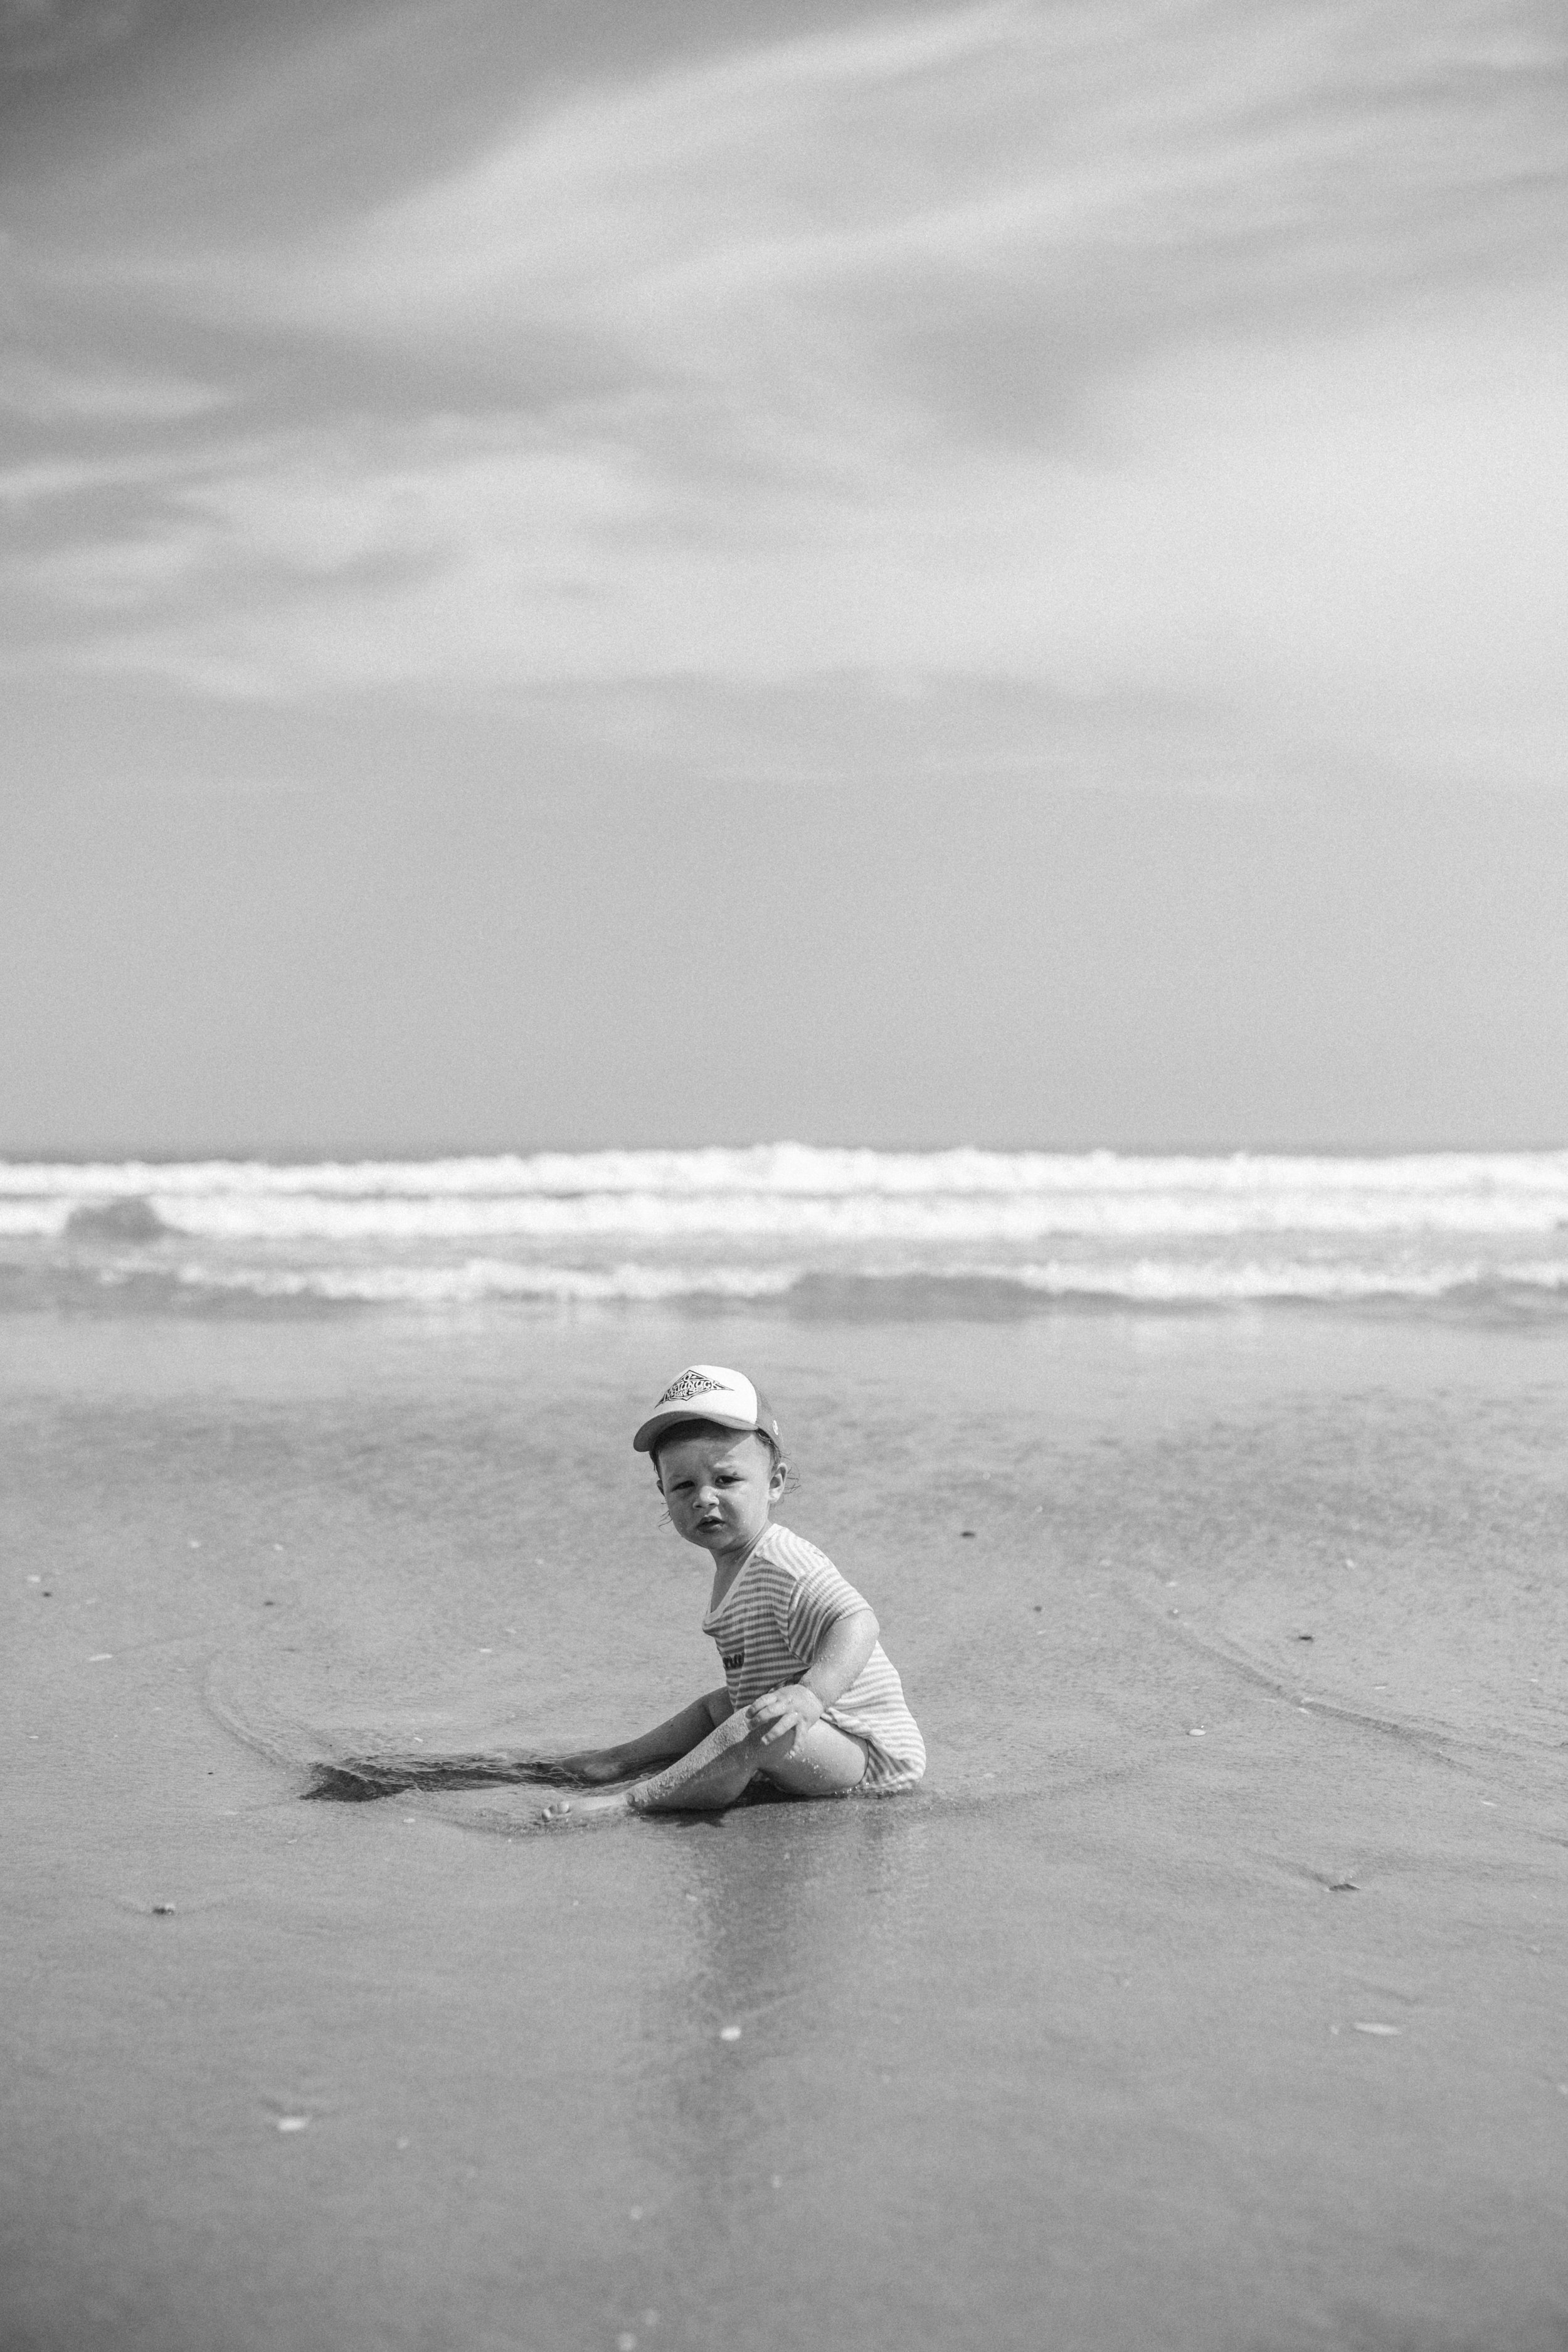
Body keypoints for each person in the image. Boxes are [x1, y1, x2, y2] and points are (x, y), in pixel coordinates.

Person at [538, 1364, 924, 1822]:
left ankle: (633, 1800)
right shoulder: (738, 1565)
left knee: (750, 1723)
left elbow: (857, 1622)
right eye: (684, 1486)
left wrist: (812, 1696)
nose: (703, 1497)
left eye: (725, 1480)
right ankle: (620, 1758)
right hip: (804, 1728)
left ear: (774, 1483)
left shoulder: (783, 1561)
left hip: (864, 1754)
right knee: (718, 1707)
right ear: (663, 1492)